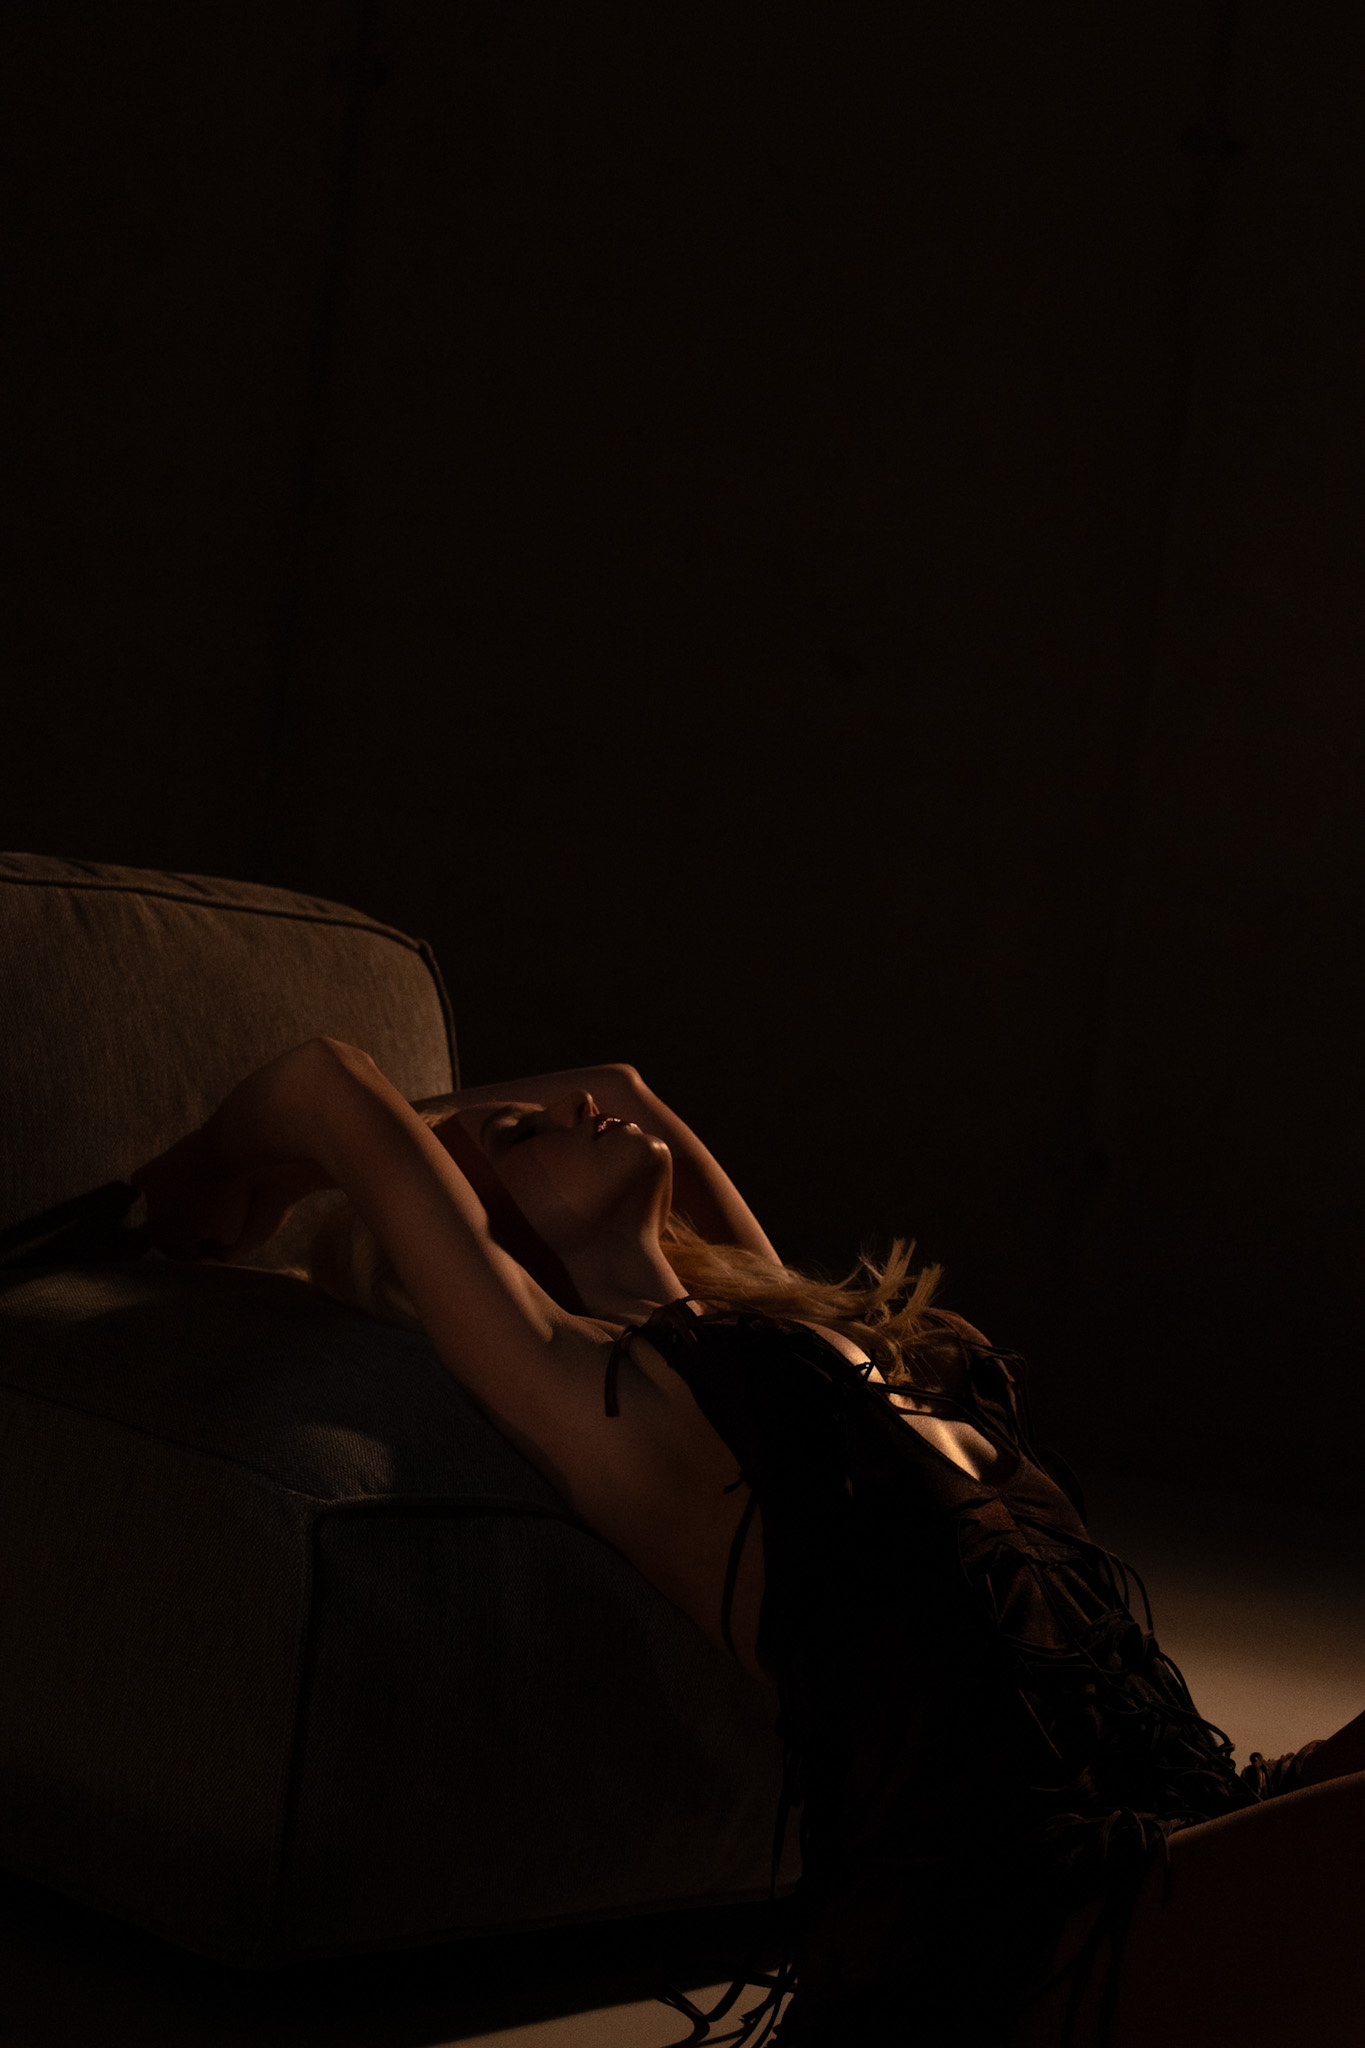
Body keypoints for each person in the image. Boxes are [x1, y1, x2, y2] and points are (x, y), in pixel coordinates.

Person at [107, 1038, 1365, 2045]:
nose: (576, 1110)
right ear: (490, 1239)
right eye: (520, 1136)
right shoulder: (602, 1391)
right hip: (1011, 1934)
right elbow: (328, 1082)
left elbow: (618, 1078)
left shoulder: (807, 1339)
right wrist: (225, 1171)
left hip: (1172, 1820)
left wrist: (476, 1139)